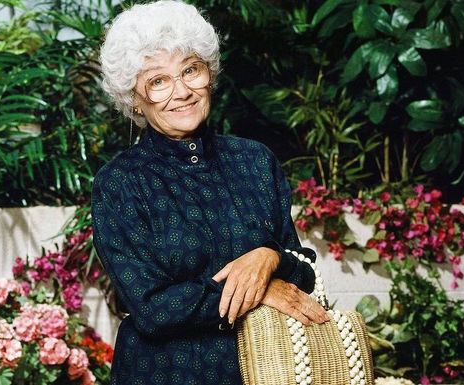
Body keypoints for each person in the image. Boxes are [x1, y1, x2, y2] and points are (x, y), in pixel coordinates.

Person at [92, 1, 329, 383]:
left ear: (209, 74)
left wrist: (269, 259)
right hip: (165, 374)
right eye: (158, 81)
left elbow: (303, 273)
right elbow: (153, 308)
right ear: (134, 98)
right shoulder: (119, 183)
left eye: (190, 70)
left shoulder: (255, 160)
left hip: (269, 370)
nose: (181, 91)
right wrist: (259, 291)